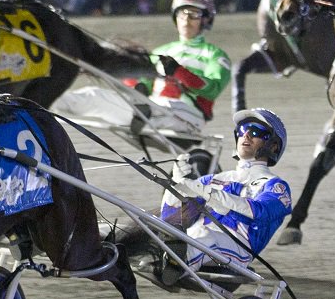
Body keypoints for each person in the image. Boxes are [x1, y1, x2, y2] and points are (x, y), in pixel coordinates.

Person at [119, 108, 293, 279]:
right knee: (141, 222)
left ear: (273, 145)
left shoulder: (276, 186)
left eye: (255, 131)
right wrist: (177, 184)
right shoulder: (214, 179)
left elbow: (260, 211)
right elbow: (171, 216)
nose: (246, 135)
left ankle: (173, 265)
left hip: (237, 249)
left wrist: (210, 193)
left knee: (204, 235)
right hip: (195, 238)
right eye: (242, 130)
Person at [53, 0, 230, 140]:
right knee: (93, 95)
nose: (186, 19)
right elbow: (142, 82)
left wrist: (178, 72)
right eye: (182, 13)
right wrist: (136, 85)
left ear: (206, 19)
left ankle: (140, 114)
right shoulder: (162, 51)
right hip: (152, 109)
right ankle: (42, 102)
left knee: (158, 107)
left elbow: (212, 88)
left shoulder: (215, 55)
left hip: (188, 115)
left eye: (194, 14)